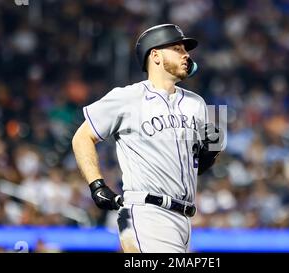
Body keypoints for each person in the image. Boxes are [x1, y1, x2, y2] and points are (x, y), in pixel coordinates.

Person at [72, 24, 224, 253]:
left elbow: (195, 167)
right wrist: (97, 185)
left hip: (184, 218)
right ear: (155, 55)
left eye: (186, 50)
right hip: (147, 212)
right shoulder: (127, 97)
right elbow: (82, 137)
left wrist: (210, 155)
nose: (186, 55)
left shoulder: (197, 104)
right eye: (177, 48)